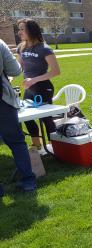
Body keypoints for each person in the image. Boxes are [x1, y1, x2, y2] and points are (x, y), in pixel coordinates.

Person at [16, 18, 60, 150]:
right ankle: (37, 144)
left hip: (43, 88)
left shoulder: (44, 48)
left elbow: (56, 71)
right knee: (26, 116)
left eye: (22, 29)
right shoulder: (21, 47)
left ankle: (55, 146)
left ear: (31, 30)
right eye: (19, 29)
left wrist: (34, 80)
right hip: (30, 88)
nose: (19, 32)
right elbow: (18, 68)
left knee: (46, 118)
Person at [0, 38, 36, 193]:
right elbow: (15, 70)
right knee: (17, 142)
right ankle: (28, 181)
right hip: (3, 101)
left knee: (16, 142)